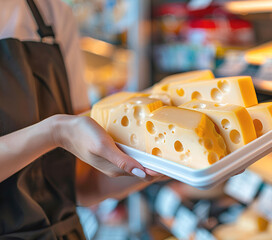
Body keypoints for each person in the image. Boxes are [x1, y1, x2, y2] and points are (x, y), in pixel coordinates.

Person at [0, 0, 164, 238]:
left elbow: (82, 184)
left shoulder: (49, 13)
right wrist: (54, 134)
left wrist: (156, 164)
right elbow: (61, 132)